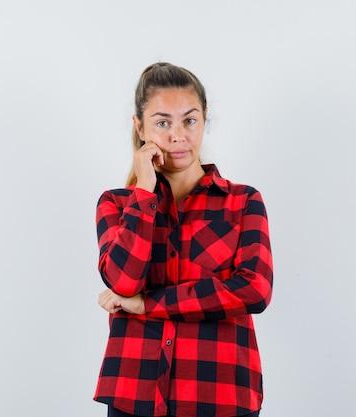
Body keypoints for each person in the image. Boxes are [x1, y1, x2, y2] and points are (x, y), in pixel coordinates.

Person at [94, 62, 274, 417]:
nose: (178, 135)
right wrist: (144, 191)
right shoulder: (116, 204)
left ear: (205, 119)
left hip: (220, 395)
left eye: (189, 120)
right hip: (135, 395)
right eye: (163, 123)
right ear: (139, 127)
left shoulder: (243, 202)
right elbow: (123, 281)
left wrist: (149, 305)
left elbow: (254, 290)